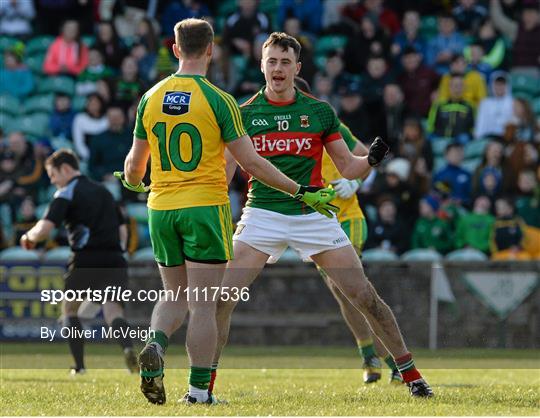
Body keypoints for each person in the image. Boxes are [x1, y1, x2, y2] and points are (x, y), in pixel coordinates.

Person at [115, 18, 337, 406]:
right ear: (212, 50)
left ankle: (155, 343)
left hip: (161, 207)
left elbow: (134, 167)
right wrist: (300, 190)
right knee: (203, 302)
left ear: (175, 49)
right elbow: (251, 163)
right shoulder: (220, 100)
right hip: (204, 207)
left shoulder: (150, 97)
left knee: (173, 293)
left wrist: (134, 182)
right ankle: (199, 393)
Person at [212, 32, 432, 398]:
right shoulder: (243, 114)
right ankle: (205, 386)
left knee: (365, 296)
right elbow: (225, 174)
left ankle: (411, 375)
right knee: (221, 299)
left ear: (297, 68)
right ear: (262, 65)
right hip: (262, 213)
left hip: (312, 215)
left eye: (285, 62)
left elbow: (348, 166)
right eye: (272, 61)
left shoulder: (319, 112)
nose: (278, 68)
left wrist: (371, 161)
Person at [295, 76, 402, 384]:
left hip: (347, 217)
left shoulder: (330, 124)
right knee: (343, 294)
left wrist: (355, 180)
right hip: (315, 224)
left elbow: (367, 156)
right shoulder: (282, 135)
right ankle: (371, 353)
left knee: (351, 287)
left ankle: (388, 359)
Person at [19, 149, 138, 374]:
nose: (53, 182)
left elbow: (45, 228)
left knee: (70, 311)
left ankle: (80, 367)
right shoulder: (105, 192)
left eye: (53, 176)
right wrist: (119, 251)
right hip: (115, 258)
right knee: (114, 313)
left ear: (65, 169)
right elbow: (122, 228)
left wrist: (28, 237)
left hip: (85, 259)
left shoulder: (66, 192)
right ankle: (127, 350)